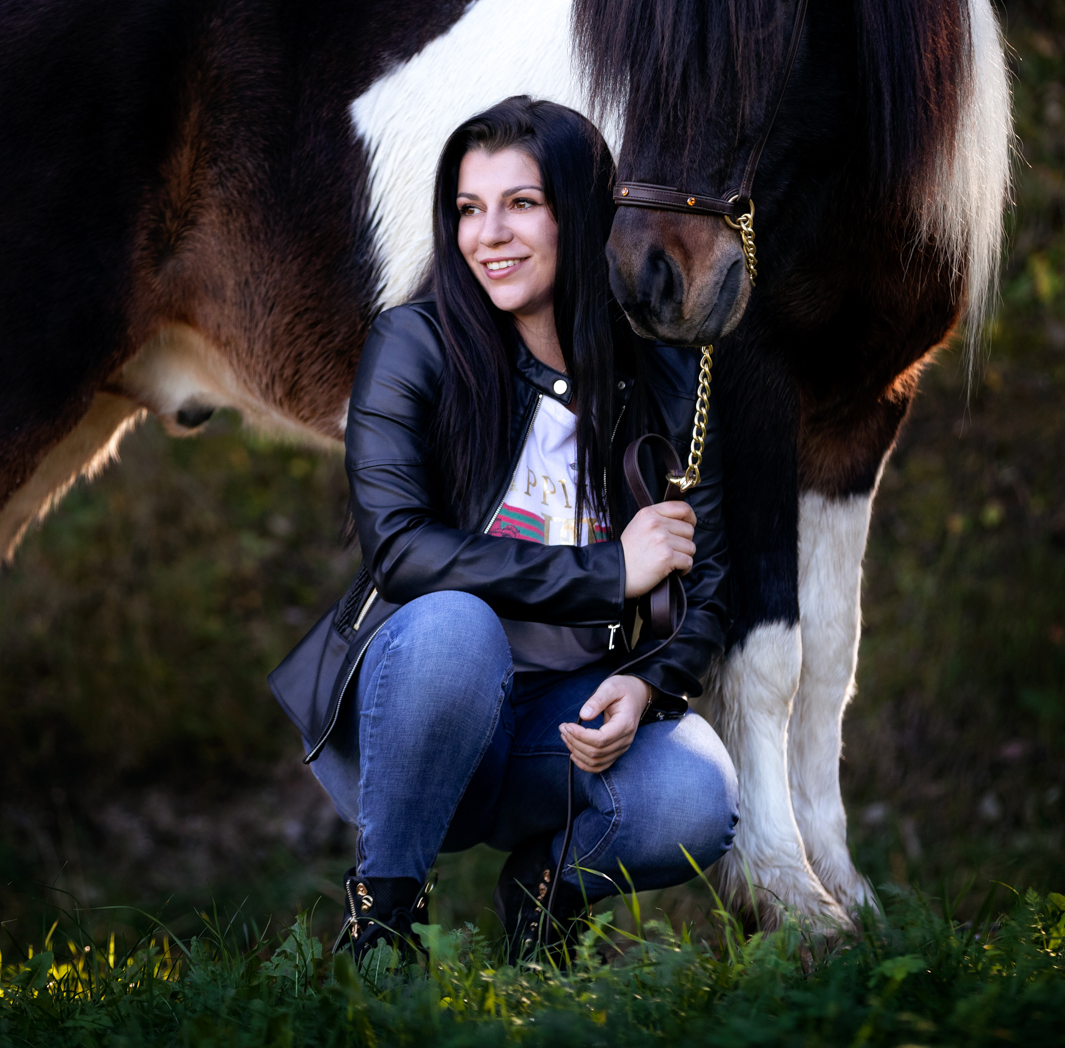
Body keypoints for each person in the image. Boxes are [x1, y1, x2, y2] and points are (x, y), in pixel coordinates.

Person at [281, 95, 738, 962]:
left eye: (521, 203)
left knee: (698, 791)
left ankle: (545, 897)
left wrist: (647, 685)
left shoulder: (663, 375)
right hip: (418, 710)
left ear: (581, 211)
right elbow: (401, 550)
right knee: (457, 625)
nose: (488, 234)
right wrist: (609, 571)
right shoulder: (414, 344)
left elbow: (706, 578)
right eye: (468, 207)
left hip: (558, 731)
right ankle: (383, 926)